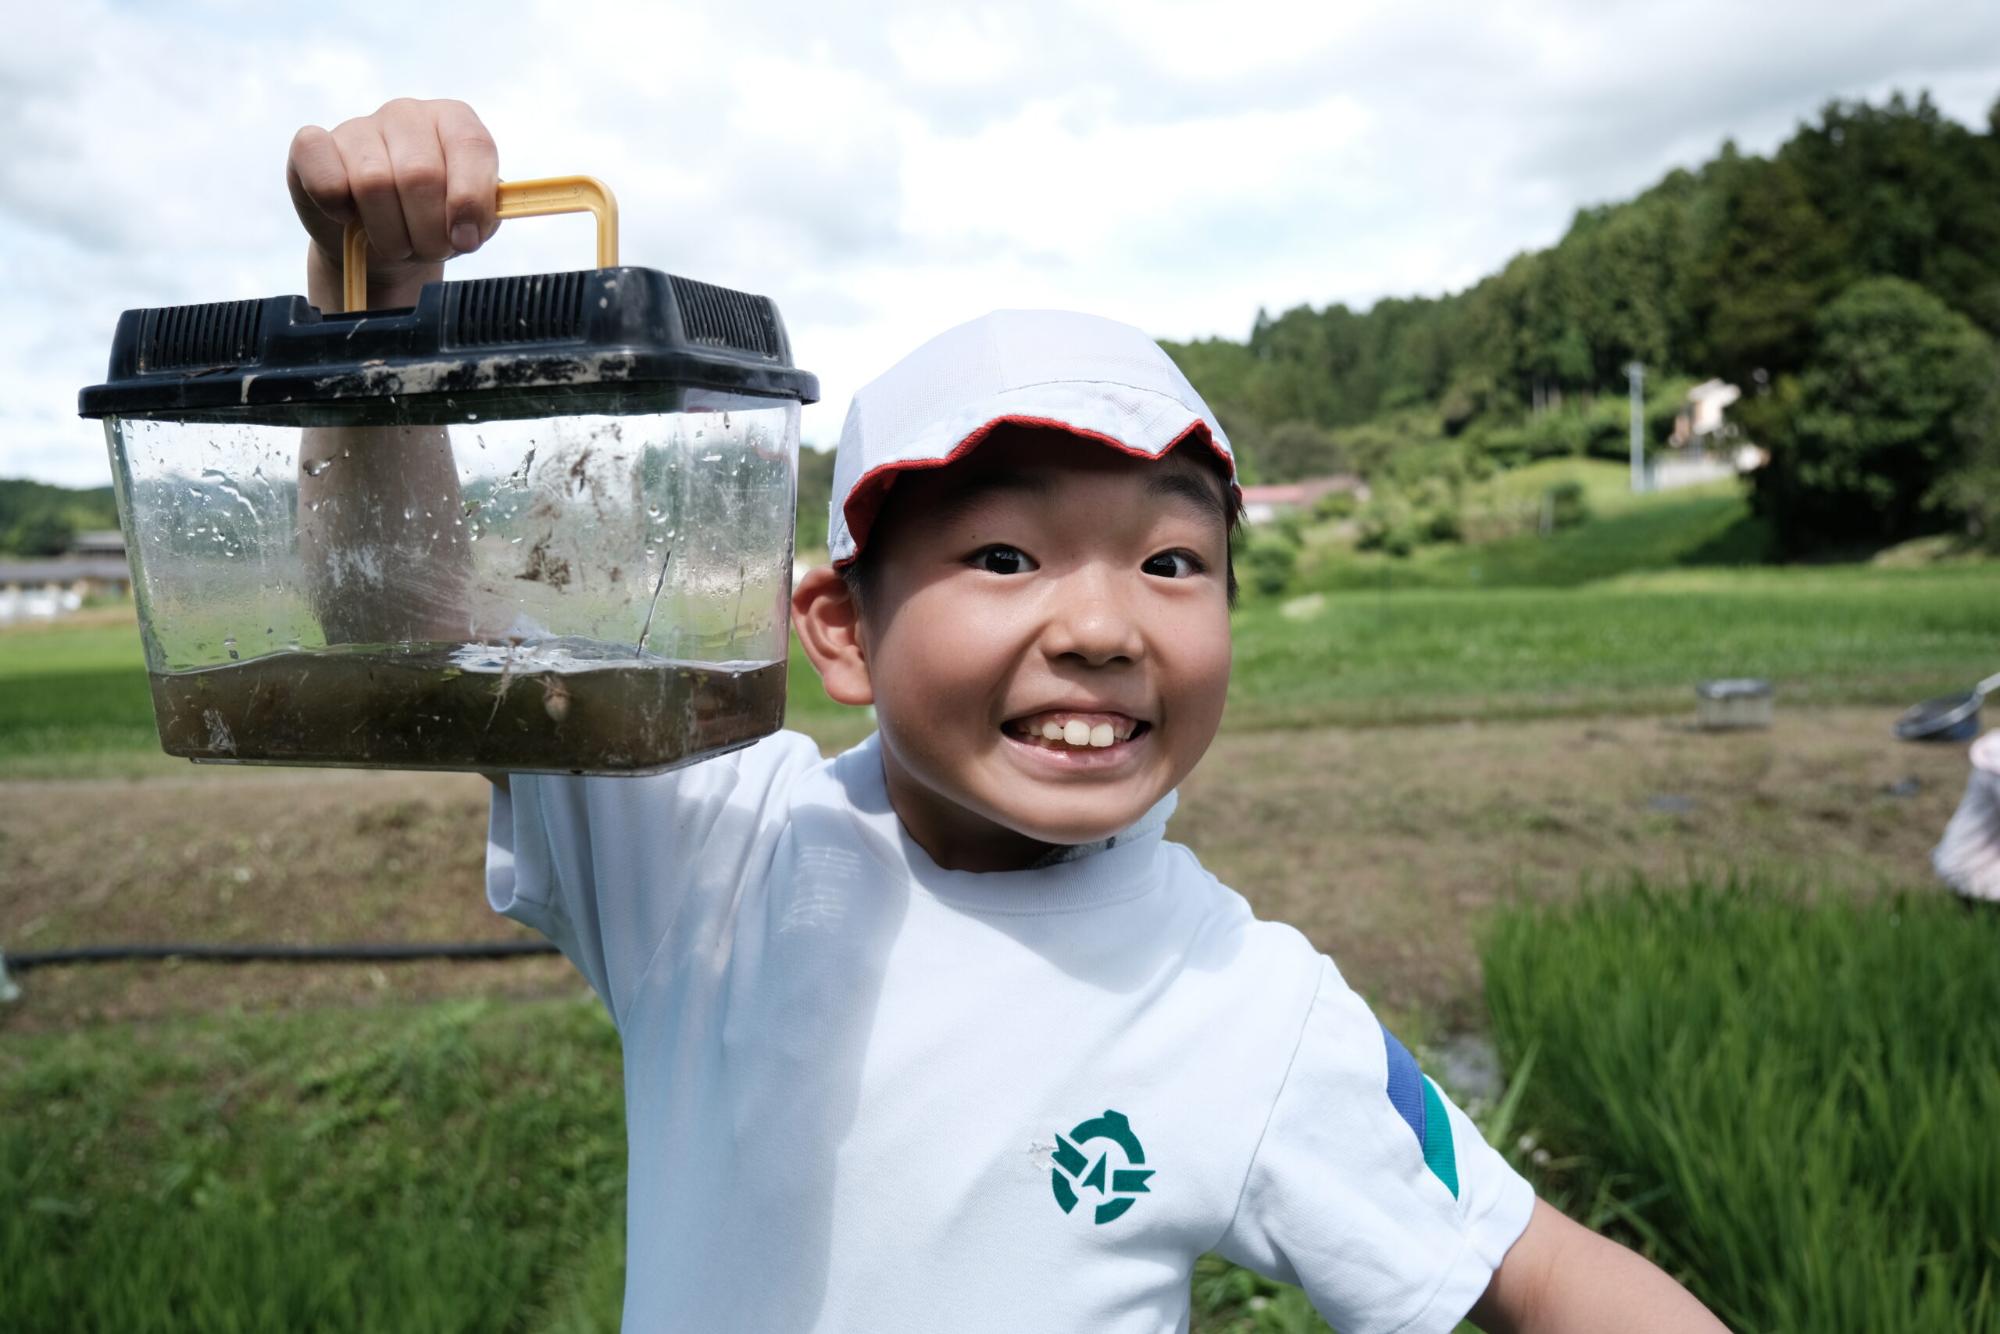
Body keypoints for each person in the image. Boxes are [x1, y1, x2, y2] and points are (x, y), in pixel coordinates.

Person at [287, 97, 1726, 1333]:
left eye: (1172, 561)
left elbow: (1534, 1270)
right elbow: (409, 618)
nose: (1101, 626)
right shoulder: (710, 852)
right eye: (1004, 557)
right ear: (842, 628)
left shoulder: (1245, 1006)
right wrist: (381, 308)